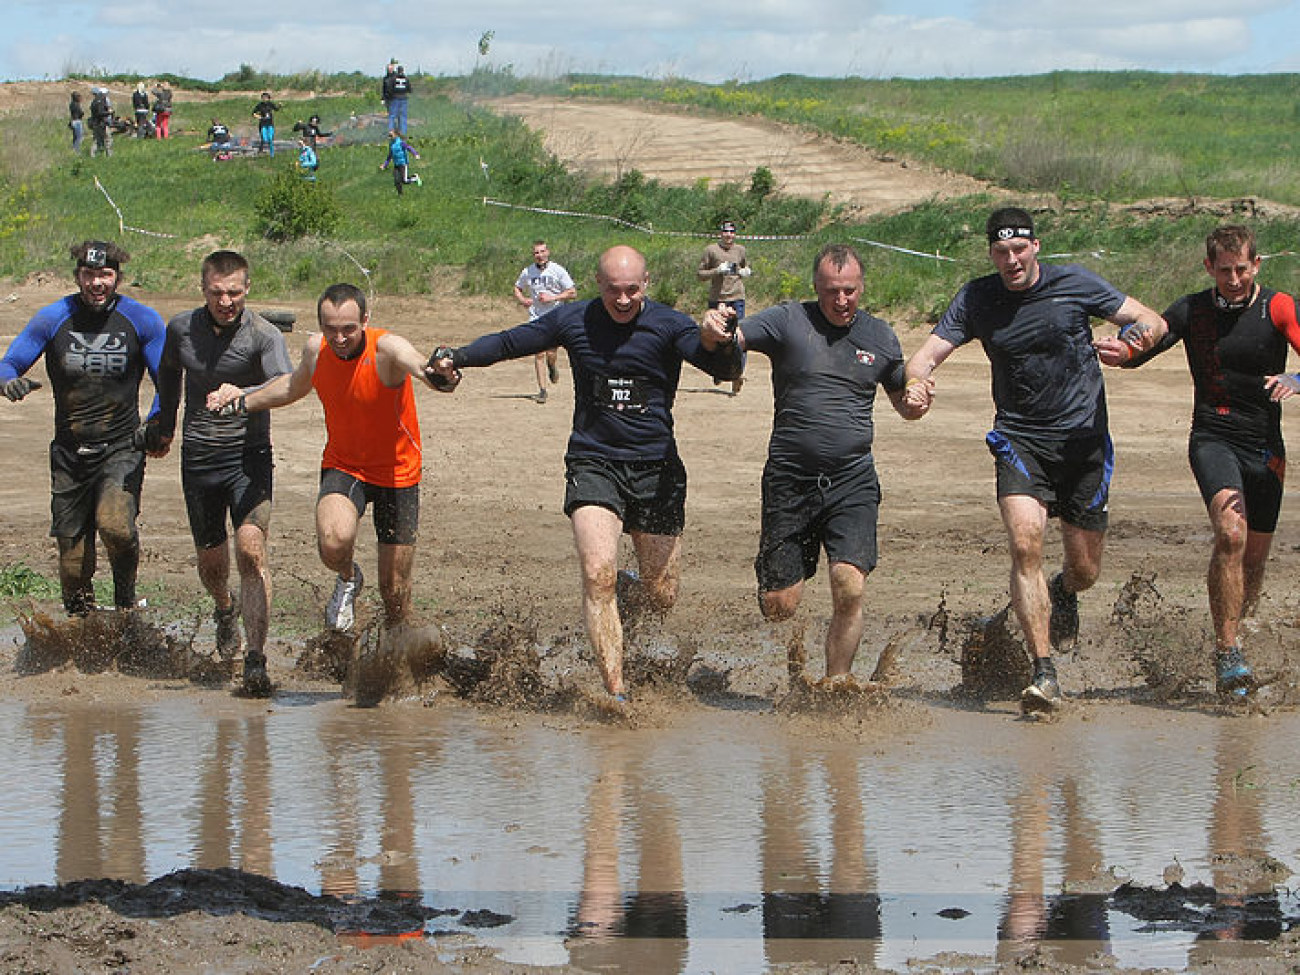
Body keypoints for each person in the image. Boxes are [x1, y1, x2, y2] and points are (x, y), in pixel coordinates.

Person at [428, 245, 744, 703]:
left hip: (657, 469)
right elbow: (511, 341)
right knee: (598, 576)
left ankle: (630, 586)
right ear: (598, 284)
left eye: (632, 290)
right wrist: (456, 355)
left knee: (662, 596)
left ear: (646, 283)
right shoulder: (572, 320)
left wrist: (722, 338)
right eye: (614, 290)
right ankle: (616, 692)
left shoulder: (670, 324)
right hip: (593, 461)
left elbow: (721, 366)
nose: (622, 300)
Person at [904, 206, 1167, 713]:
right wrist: (916, 387)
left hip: (1084, 444)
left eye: (1019, 249)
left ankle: (1063, 591)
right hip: (1020, 441)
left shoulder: (1074, 284)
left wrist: (1133, 345)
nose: (1011, 260)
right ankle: (1044, 672)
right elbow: (923, 356)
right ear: (991, 254)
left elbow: (1150, 320)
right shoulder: (978, 297)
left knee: (1085, 569)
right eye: (1001, 252)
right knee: (1026, 545)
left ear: (1036, 247)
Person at [702, 244, 927, 680]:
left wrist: (917, 400)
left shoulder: (881, 336)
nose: (840, 301)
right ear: (816, 287)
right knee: (779, 607)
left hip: (852, 481)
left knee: (849, 585)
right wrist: (714, 332)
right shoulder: (788, 320)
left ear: (862, 288)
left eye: (849, 291)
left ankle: (835, 682)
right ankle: (788, 620)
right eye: (830, 291)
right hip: (790, 480)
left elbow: (905, 403)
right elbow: (733, 341)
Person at [1096, 226, 1300, 698]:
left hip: (1266, 447)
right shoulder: (1193, 309)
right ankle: (1227, 654)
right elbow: (1151, 338)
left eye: (1242, 269)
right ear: (1209, 267)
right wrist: (1122, 349)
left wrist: (1295, 375)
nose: (1234, 279)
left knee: (1253, 559)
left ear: (1257, 265)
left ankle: (1234, 642)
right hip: (1213, 436)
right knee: (1230, 534)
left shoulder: (1279, 306)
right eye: (1224, 270)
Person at [205, 283, 452, 633]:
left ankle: (399, 652)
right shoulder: (316, 351)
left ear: (365, 320)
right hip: (345, 465)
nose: (339, 338)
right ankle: (349, 578)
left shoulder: (385, 349)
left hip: (398, 474)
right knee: (333, 543)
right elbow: (292, 386)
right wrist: (243, 400)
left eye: (348, 329)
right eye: (330, 328)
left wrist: (438, 374)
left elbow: (418, 365)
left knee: (394, 592)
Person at [148, 251, 292, 696]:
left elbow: (286, 385)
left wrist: (245, 392)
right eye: (216, 292)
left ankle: (255, 659)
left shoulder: (263, 336)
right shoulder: (180, 329)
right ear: (203, 288)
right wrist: (164, 427)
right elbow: (169, 374)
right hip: (199, 459)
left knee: (251, 552)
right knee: (213, 565)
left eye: (233, 292)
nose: (225, 301)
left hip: (248, 457)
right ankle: (224, 607)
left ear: (247, 288)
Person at [0, 241, 166, 616]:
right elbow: (9, 363)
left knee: (116, 527)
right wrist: (9, 382)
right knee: (72, 564)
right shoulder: (53, 317)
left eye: (105, 275)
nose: (97, 283)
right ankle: (81, 626)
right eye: (89, 275)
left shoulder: (142, 320)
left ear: (117, 278)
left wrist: (156, 422)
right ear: (77, 276)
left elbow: (168, 381)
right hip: (69, 454)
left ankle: (125, 602)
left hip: (122, 447)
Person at [512, 240, 577, 402]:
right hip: (536, 316)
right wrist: (523, 300)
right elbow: (517, 287)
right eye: (536, 253)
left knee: (551, 352)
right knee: (538, 352)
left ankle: (552, 366)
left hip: (555, 315)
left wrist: (553, 297)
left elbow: (572, 292)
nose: (539, 255)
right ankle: (542, 390)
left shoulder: (557, 270)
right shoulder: (528, 271)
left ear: (548, 252)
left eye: (542, 252)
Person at [697, 219, 751, 394]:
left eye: (732, 232)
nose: (729, 235)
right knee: (717, 336)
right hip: (717, 298)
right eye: (726, 232)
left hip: (737, 298)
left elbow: (746, 266)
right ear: (720, 233)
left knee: (738, 336)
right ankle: (719, 370)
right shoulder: (711, 250)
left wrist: (745, 272)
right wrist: (717, 270)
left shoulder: (740, 250)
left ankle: (738, 374)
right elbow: (700, 274)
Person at [379, 130, 420, 194]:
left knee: (404, 181)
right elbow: (390, 156)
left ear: (396, 135)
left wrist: (415, 154)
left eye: (391, 135)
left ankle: (415, 178)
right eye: (388, 135)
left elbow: (409, 148)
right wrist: (384, 165)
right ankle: (400, 194)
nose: (389, 137)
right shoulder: (391, 144)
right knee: (396, 181)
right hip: (396, 165)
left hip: (403, 164)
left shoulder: (401, 142)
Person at [382, 64, 412, 136]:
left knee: (392, 115)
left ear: (397, 71)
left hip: (395, 98)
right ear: (403, 71)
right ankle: (403, 132)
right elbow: (410, 89)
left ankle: (391, 131)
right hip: (404, 98)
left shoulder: (393, 78)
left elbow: (389, 89)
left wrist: (390, 96)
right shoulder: (406, 79)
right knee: (403, 116)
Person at [251, 92, 281, 156]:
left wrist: (279, 105)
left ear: (268, 98)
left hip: (270, 124)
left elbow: (276, 109)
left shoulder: (270, 104)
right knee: (264, 138)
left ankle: (272, 154)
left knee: (270, 138)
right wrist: (258, 117)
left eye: (266, 98)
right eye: (263, 98)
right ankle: (261, 150)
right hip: (263, 124)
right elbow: (253, 113)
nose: (265, 99)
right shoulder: (260, 105)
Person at [88, 87, 113, 158]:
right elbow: (100, 113)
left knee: (96, 140)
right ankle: (109, 155)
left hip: (96, 123)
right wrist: (109, 113)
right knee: (108, 139)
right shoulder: (100, 101)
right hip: (101, 123)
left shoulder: (94, 102)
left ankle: (92, 154)